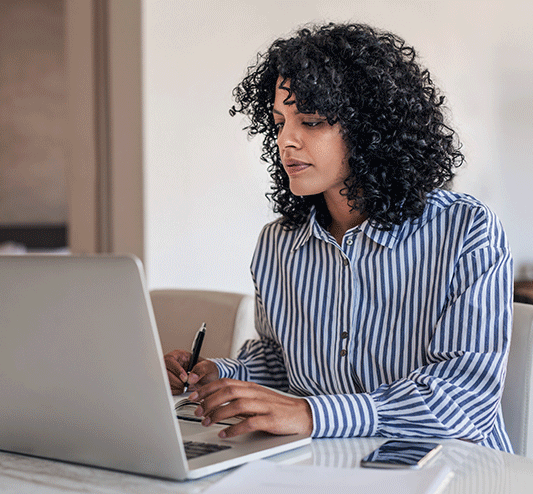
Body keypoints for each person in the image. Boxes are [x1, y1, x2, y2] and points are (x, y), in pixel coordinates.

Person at [164, 22, 513, 452]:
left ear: (371, 130)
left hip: (451, 469)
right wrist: (220, 374)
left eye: (310, 121)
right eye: (278, 122)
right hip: (328, 462)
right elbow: (280, 360)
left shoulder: (466, 231)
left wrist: (311, 414)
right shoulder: (279, 244)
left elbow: (465, 402)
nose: (286, 140)